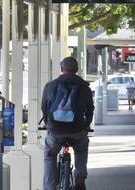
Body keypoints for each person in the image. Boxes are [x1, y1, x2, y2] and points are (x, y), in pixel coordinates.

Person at [41, 57, 94, 190]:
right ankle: (80, 176)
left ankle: (49, 187)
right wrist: (86, 125)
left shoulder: (50, 86)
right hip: (77, 131)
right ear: (76, 70)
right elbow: (90, 110)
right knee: (81, 149)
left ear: (61, 69)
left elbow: (44, 107)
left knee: (50, 156)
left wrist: (47, 122)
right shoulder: (84, 87)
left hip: (56, 131)